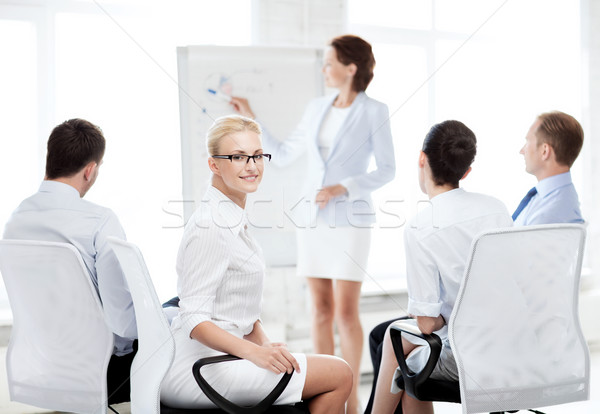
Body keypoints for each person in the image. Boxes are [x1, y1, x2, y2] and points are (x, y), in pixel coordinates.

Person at [230, 35, 396, 414]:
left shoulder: (374, 110)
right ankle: (325, 392)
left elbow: (388, 169)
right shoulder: (317, 107)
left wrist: (344, 187)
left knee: (345, 312)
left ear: (350, 67)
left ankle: (350, 400)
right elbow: (287, 153)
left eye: (329, 62)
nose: (323, 69)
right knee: (320, 309)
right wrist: (251, 115)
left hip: (350, 219)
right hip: (313, 219)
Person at [160, 115, 352, 413]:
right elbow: (194, 319)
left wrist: (266, 344)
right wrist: (254, 353)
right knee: (339, 373)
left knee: (320, 369)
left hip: (220, 357)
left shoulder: (230, 216)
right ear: (214, 164)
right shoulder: (211, 225)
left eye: (257, 155)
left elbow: (239, 310)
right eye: (238, 157)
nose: (251, 166)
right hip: (199, 368)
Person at [370, 120, 512, 413]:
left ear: (421, 159)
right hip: (513, 348)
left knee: (401, 357)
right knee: (401, 347)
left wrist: (439, 314)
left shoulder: (421, 226)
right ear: (467, 171)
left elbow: (425, 324)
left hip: (469, 358)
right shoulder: (496, 208)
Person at [3, 118, 137, 404]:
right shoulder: (100, 221)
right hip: (100, 374)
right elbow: (123, 325)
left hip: (43, 368)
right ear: (90, 170)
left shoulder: (16, 220)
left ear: (50, 159)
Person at [512, 111, 584, 225]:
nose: (522, 151)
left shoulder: (550, 215)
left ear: (544, 151)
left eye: (527, 142)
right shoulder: (544, 197)